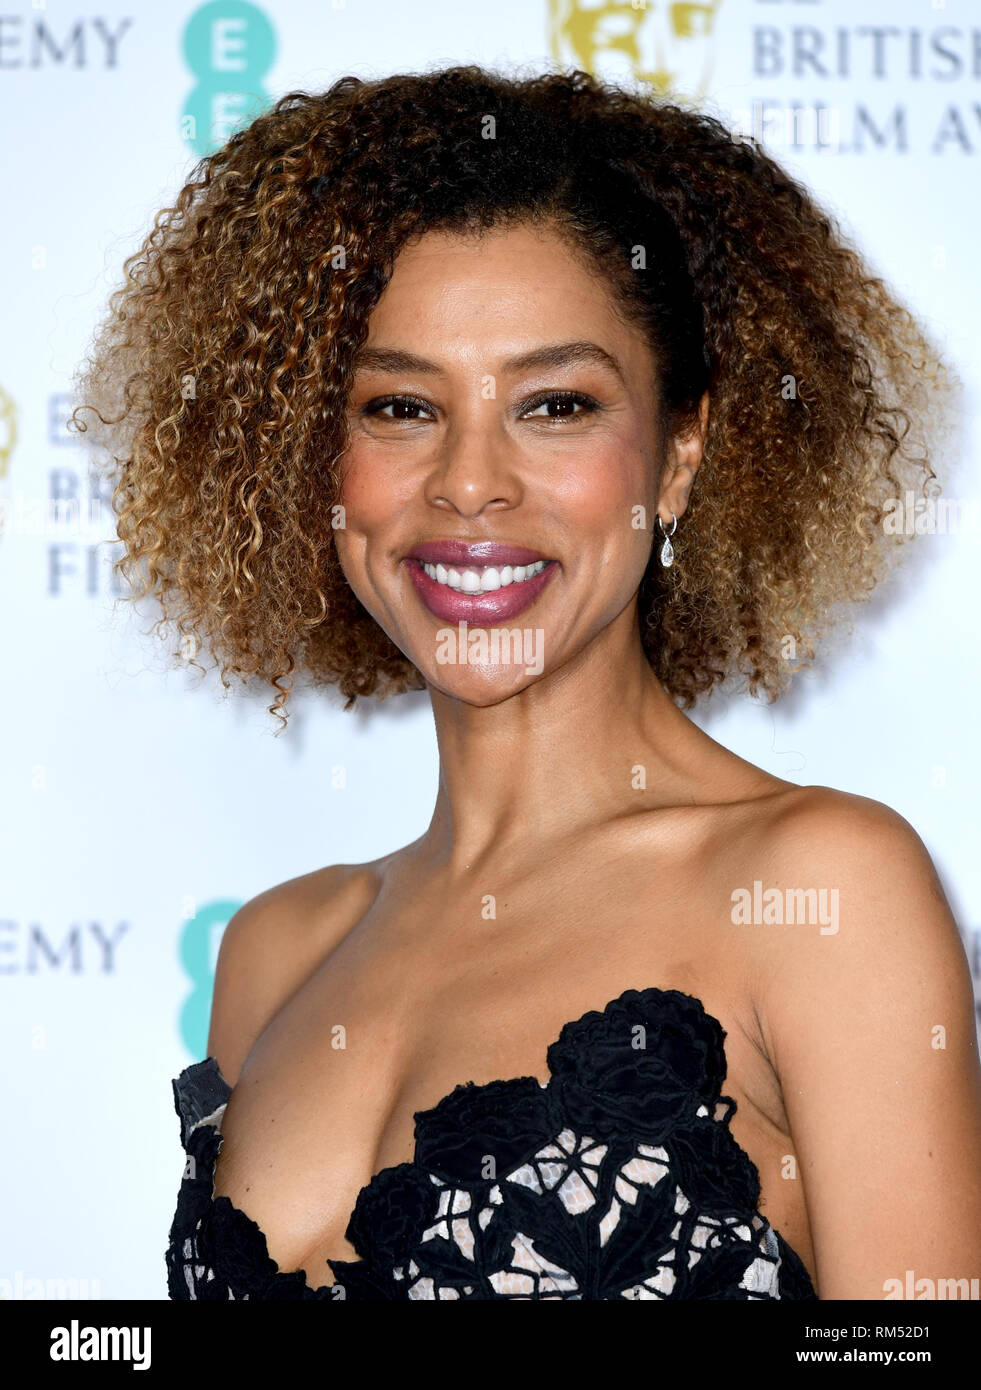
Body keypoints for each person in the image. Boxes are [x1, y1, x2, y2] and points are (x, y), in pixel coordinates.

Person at [73, 66, 981, 1301]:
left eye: (556, 404)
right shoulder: (277, 954)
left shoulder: (822, 887)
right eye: (400, 405)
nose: (471, 484)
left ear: (677, 457)